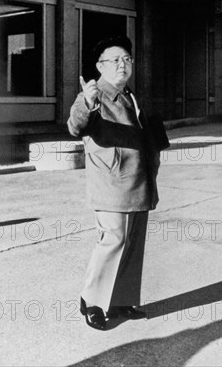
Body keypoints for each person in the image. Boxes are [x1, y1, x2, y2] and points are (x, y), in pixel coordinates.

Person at [68, 35, 164, 330]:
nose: (122, 65)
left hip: (139, 180)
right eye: (114, 60)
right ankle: (92, 301)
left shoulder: (131, 96)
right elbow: (76, 125)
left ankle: (121, 301)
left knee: (133, 243)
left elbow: (150, 135)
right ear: (100, 66)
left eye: (126, 59)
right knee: (113, 240)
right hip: (111, 182)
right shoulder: (94, 95)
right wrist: (86, 100)